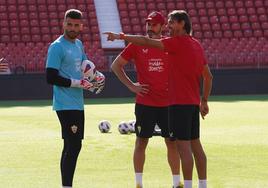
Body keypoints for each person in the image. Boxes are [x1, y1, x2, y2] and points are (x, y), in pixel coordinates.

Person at [104, 10, 213, 188]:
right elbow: (208, 76)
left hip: (174, 104)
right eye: (148, 23)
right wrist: (204, 101)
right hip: (176, 103)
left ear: (179, 24)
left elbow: (147, 41)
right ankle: (199, 185)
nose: (168, 26)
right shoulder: (195, 44)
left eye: (170, 23)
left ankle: (182, 184)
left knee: (179, 146)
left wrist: (120, 35)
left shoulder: (171, 44)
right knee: (190, 146)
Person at [111, 11, 182, 188]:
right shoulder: (136, 45)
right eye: (148, 24)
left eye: (154, 24)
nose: (150, 27)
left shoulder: (169, 44)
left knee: (172, 143)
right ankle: (139, 183)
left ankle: (176, 183)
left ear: (162, 27)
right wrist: (131, 86)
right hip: (145, 103)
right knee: (141, 141)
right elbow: (116, 65)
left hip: (168, 104)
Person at [46, 9, 104, 188]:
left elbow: (86, 69)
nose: (72, 28)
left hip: (77, 103)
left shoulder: (79, 44)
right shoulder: (56, 46)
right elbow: (51, 77)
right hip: (64, 104)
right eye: (69, 24)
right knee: (74, 145)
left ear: (81, 26)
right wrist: (78, 83)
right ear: (63, 23)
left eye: (76, 25)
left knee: (72, 145)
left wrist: (96, 78)